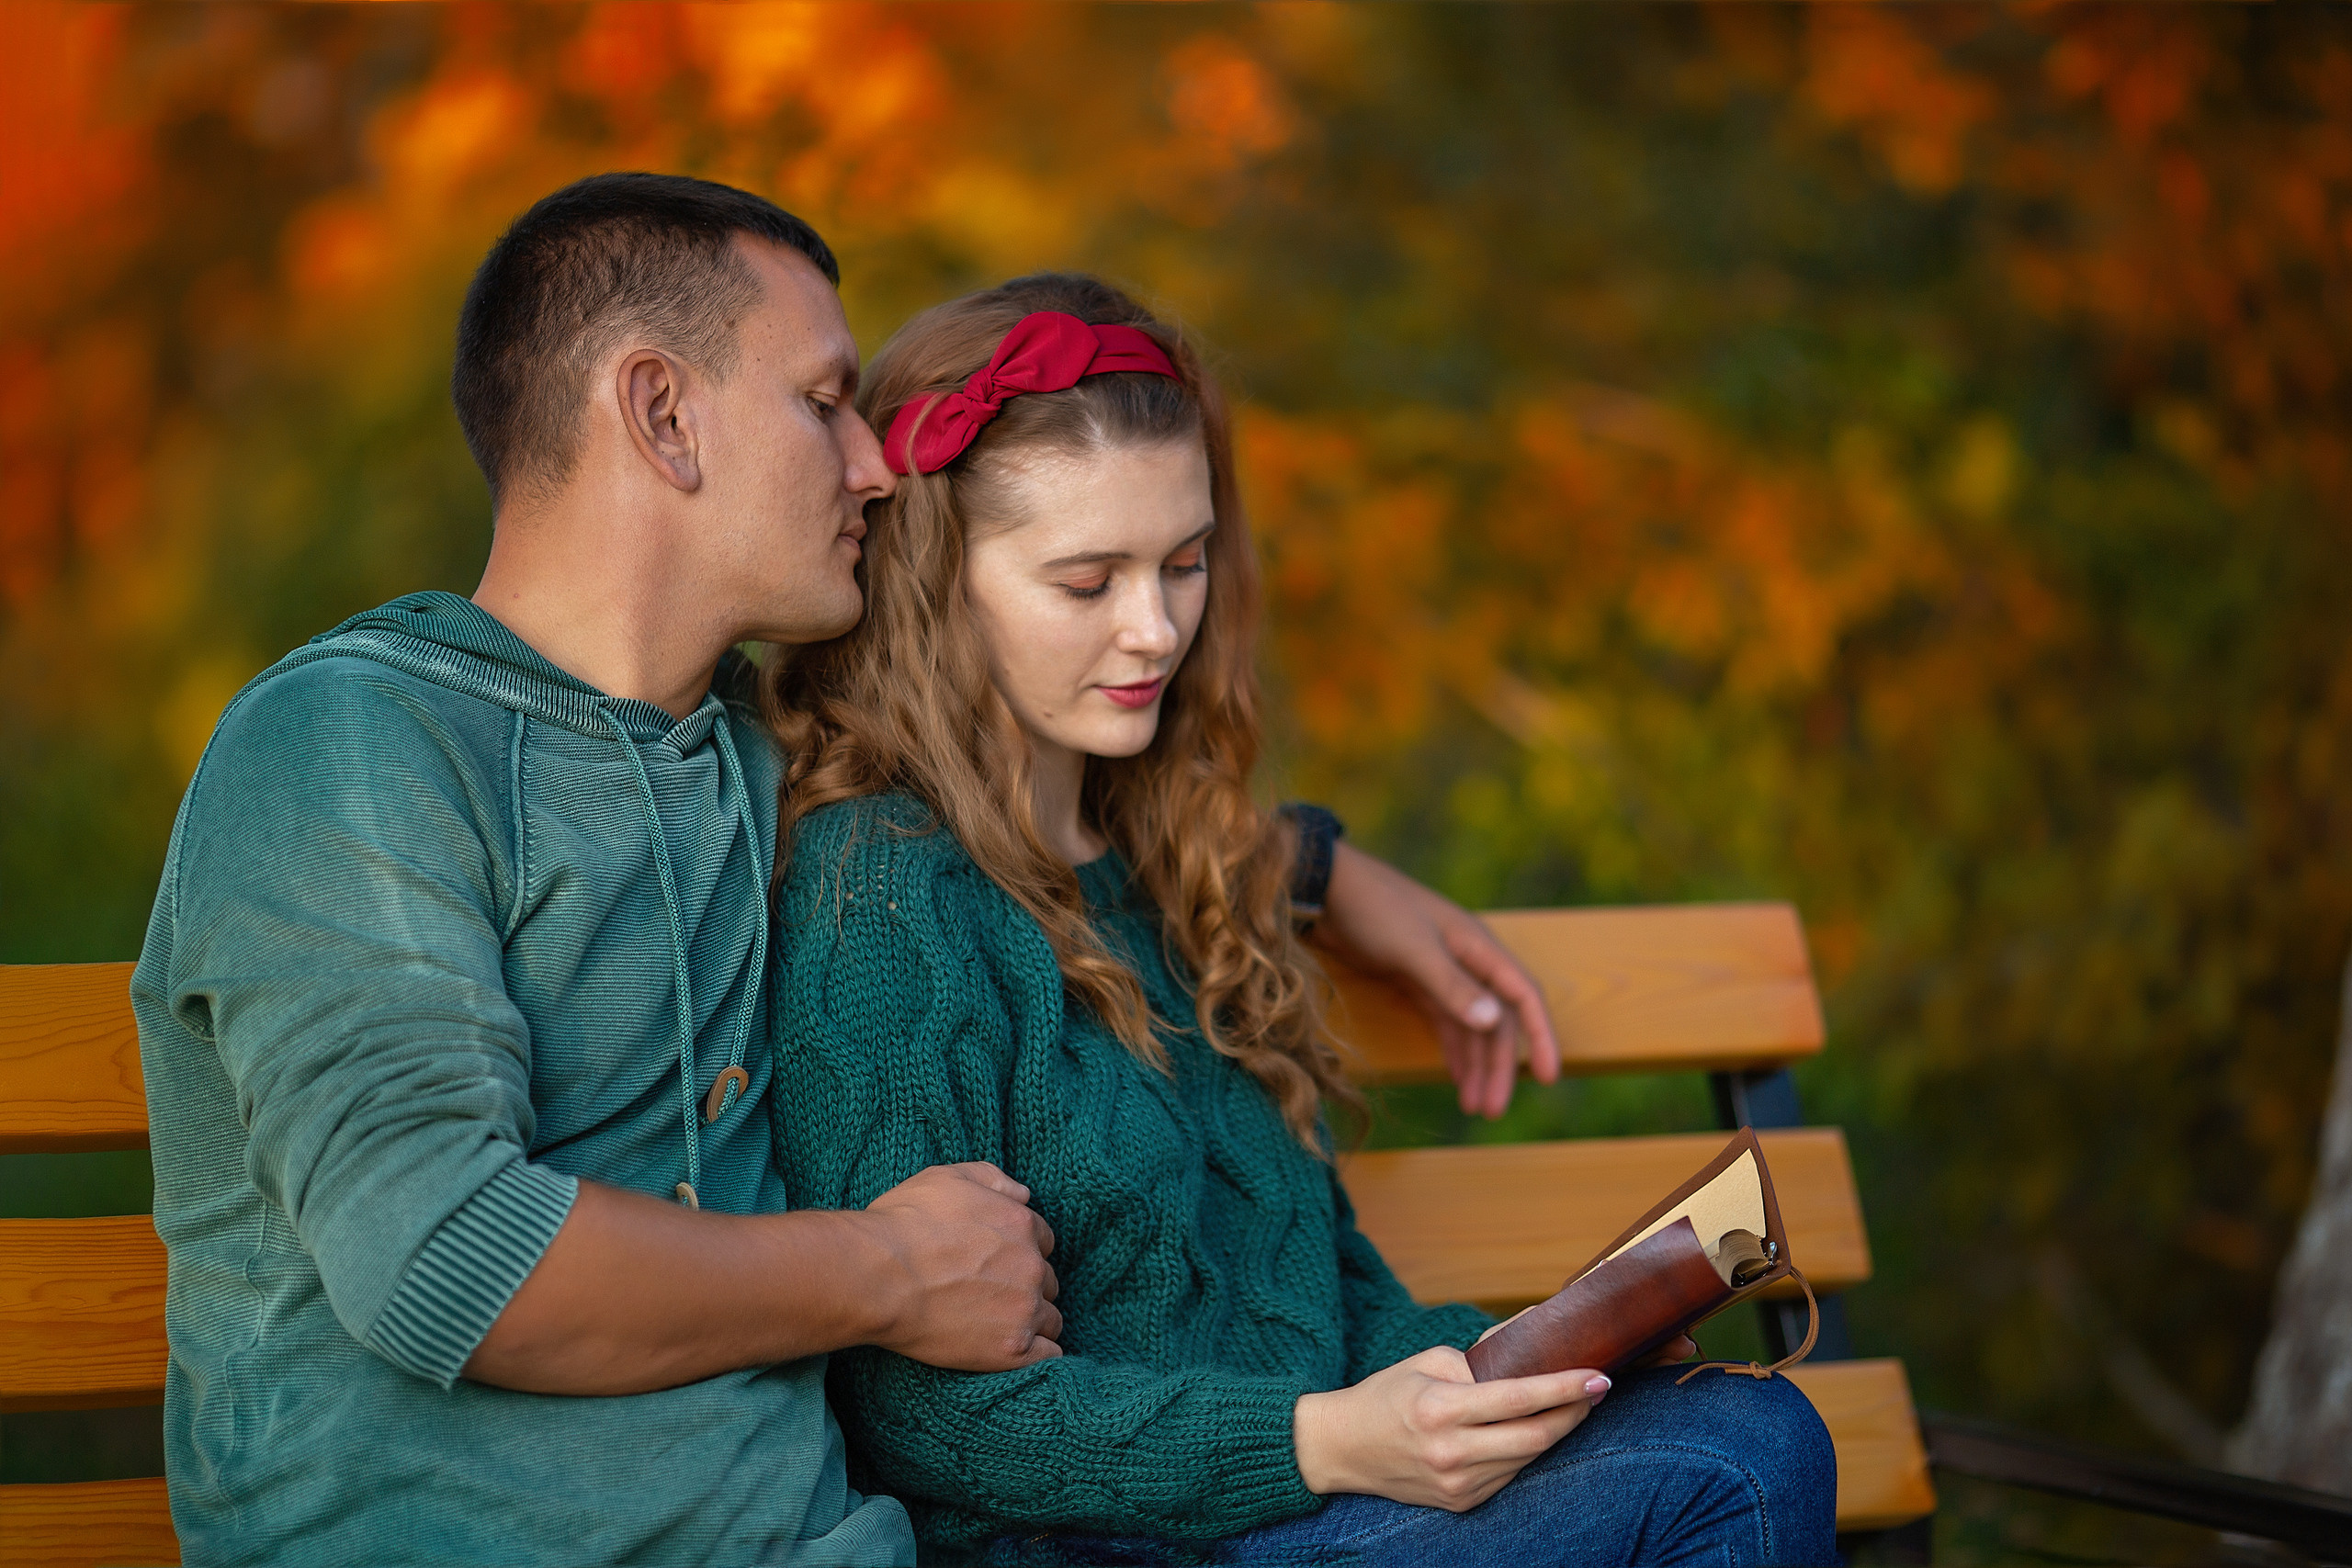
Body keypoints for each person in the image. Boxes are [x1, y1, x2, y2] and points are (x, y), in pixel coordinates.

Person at [130, 174, 1564, 1565]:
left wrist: (1317, 872)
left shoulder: (759, 763)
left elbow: (1049, 804)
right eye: (824, 405)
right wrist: (886, 1271)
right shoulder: (355, 744)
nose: (880, 463)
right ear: (661, 413)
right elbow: (450, 1255)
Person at [763, 276, 1839, 1567]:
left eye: (1184, 561)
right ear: (942, 585)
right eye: (1086, 579)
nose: (1153, 627)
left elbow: (1320, 1289)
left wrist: (1514, 1376)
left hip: (1311, 1513)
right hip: (1111, 1546)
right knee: (1738, 1467)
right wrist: (1325, 1441)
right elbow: (925, 1426)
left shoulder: (1181, 865)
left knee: (1721, 1420)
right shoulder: (878, 894)